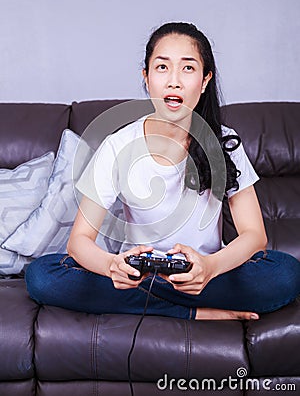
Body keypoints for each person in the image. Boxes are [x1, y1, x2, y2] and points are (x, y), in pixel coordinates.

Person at [25, 22, 300, 320]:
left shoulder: (223, 142)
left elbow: (254, 235)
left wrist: (209, 269)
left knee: (285, 273)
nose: (174, 81)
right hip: (139, 276)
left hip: (206, 274)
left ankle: (167, 304)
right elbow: (79, 241)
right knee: (43, 275)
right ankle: (196, 313)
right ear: (146, 77)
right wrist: (111, 267)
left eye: (188, 68)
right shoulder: (118, 145)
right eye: (162, 67)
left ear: (205, 80)